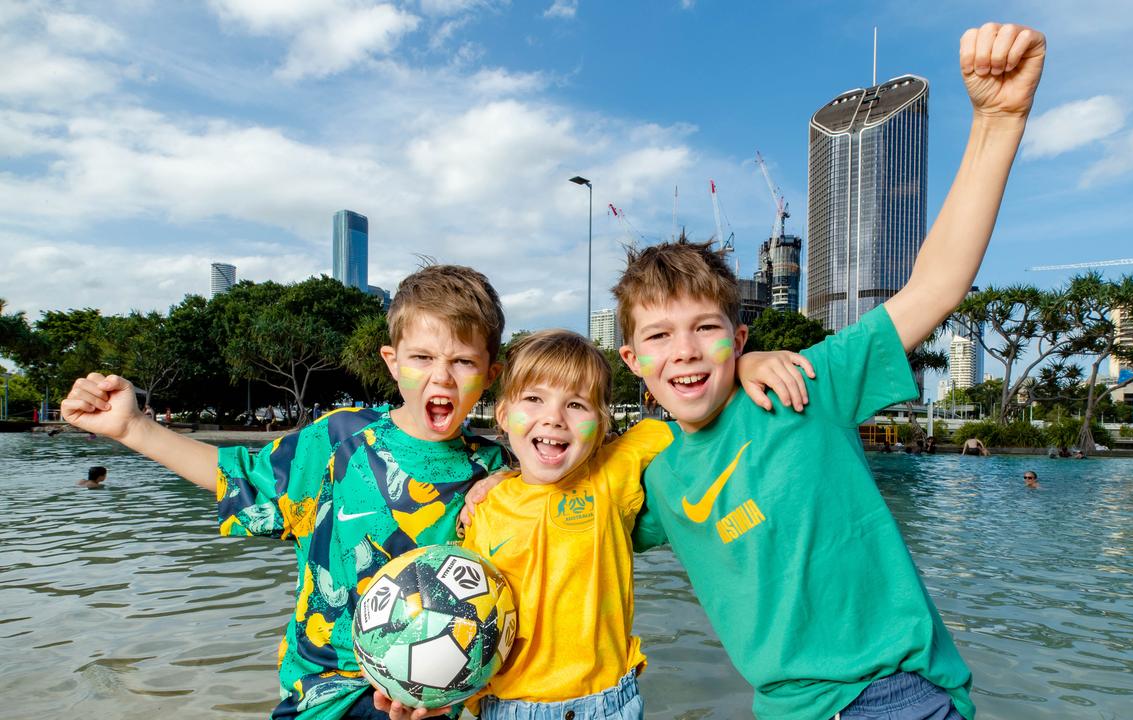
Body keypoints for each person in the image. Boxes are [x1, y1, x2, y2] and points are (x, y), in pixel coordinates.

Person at [616, 22, 1044, 720]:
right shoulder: (651, 476)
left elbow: (933, 288)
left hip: (895, 695)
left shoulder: (804, 383)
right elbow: (560, 516)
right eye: (659, 337)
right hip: (784, 709)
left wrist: (998, 121)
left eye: (706, 331)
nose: (685, 351)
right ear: (632, 361)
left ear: (740, 335)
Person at [61, 264, 514, 719]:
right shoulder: (338, 439)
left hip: (432, 705)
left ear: (490, 373)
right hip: (322, 698)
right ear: (392, 361)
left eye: (463, 361)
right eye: (422, 357)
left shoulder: (496, 473)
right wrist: (133, 428)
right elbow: (237, 476)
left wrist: (512, 482)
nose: (442, 377)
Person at [436, 330, 809, 720]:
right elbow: (470, 620)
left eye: (576, 405)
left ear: (600, 424)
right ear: (503, 414)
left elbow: (694, 417)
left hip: (608, 705)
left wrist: (743, 365)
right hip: (505, 708)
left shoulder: (610, 473)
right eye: (533, 399)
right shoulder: (484, 507)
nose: (553, 418)